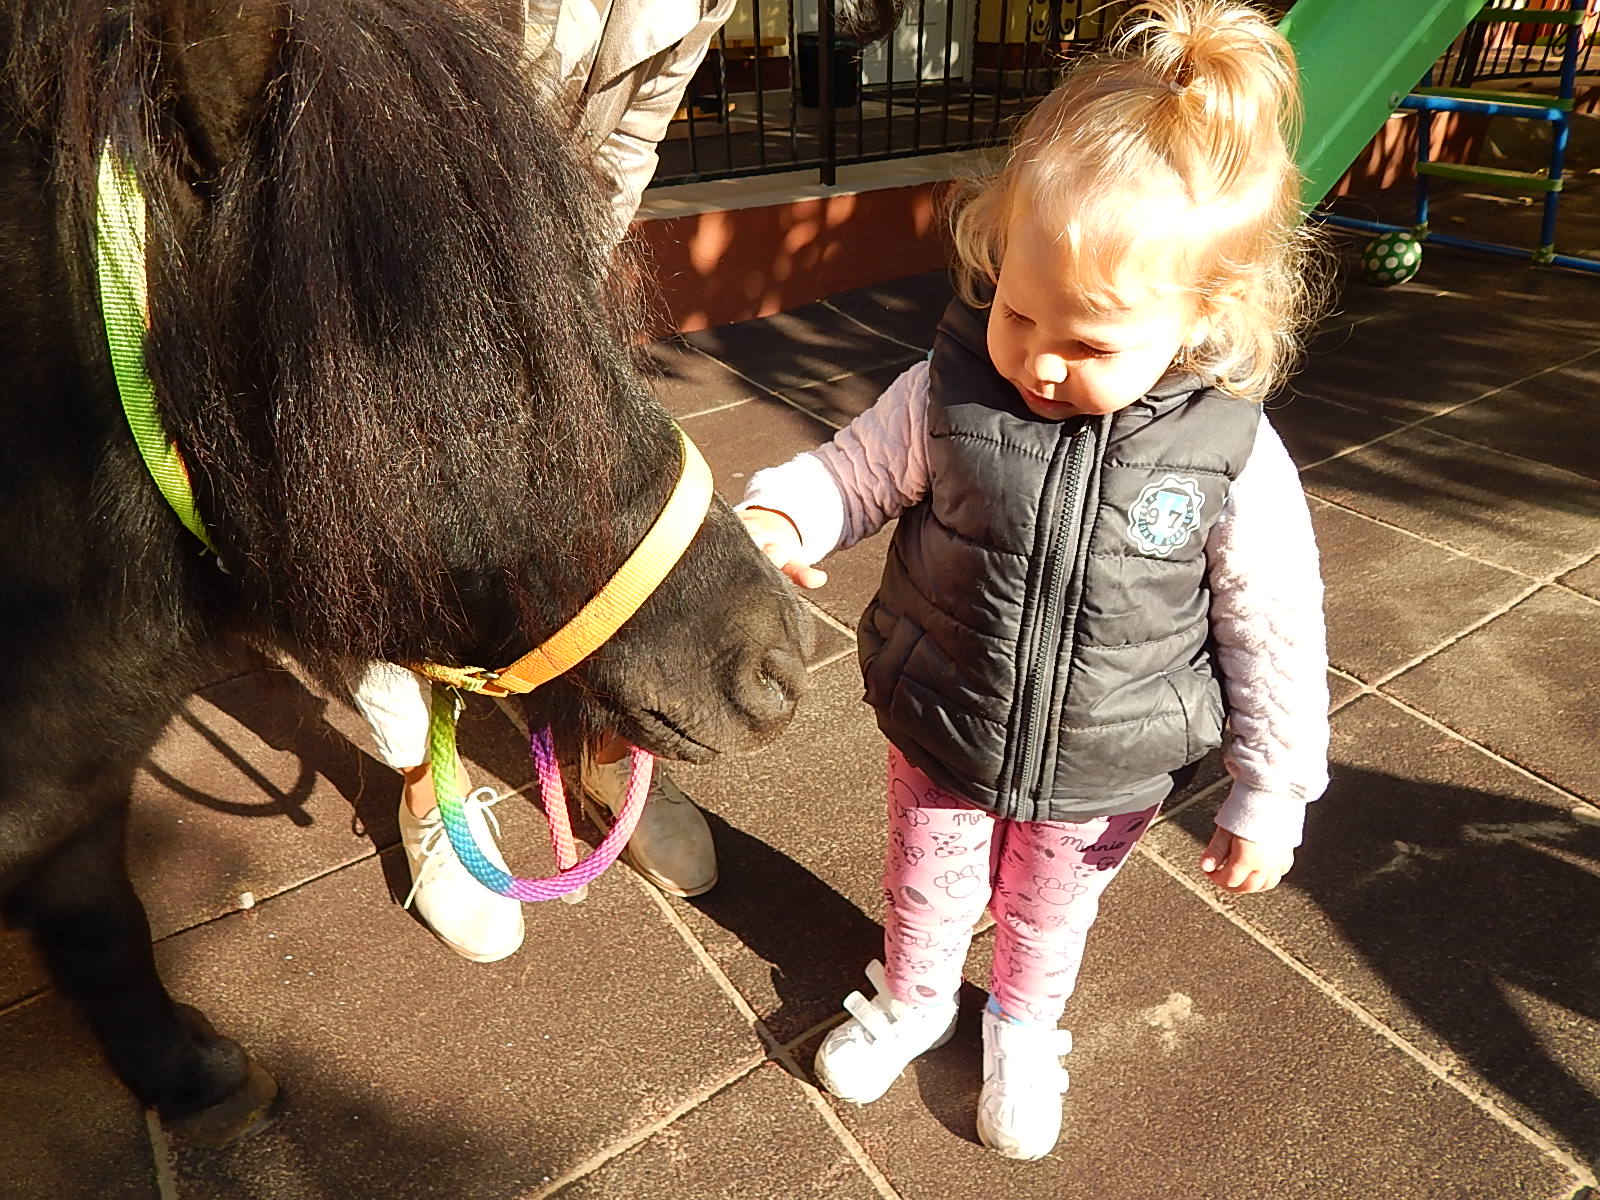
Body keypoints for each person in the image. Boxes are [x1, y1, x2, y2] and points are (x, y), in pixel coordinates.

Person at [734, 0, 1329, 1160]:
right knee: (926, 882)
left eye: (1090, 343)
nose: (1040, 361)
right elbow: (855, 472)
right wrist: (780, 513)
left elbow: (1273, 625)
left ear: (1203, 315)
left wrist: (1272, 787)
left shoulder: (1229, 452)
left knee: (1049, 910)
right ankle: (916, 997)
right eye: (1017, 310)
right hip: (945, 712)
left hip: (1109, 754)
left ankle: (1021, 1023)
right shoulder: (949, 386)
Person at [354, 0, 744, 964]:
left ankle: (607, 750)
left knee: (593, 509)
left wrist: (550, 303)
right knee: (377, 536)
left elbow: (631, 138)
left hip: (542, 264)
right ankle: (428, 793)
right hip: (372, 260)